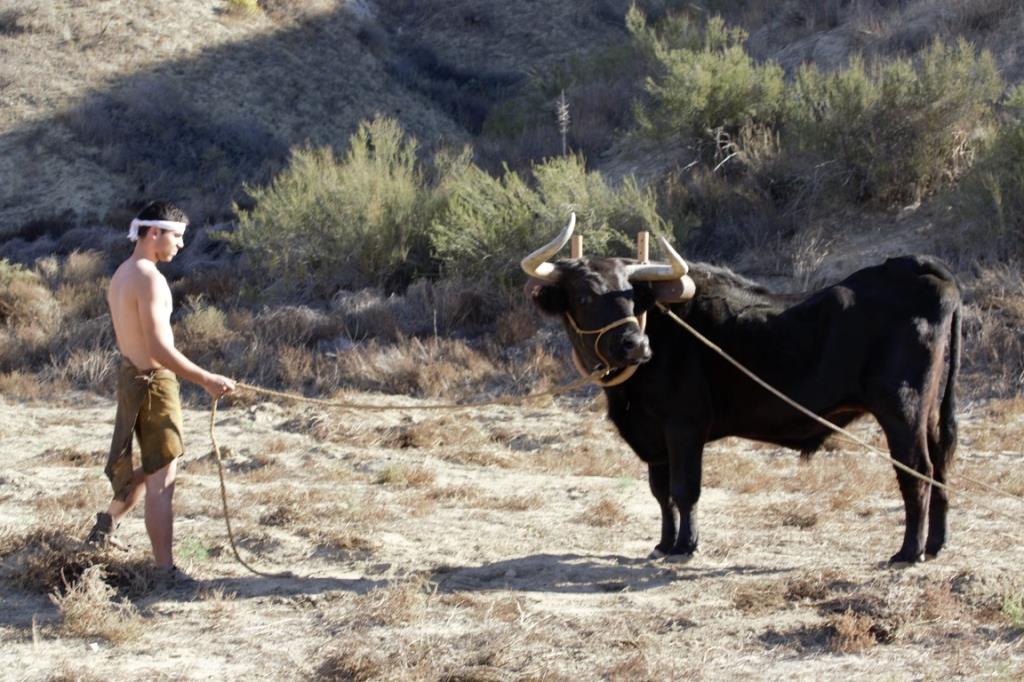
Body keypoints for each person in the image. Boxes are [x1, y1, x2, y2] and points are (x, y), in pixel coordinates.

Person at [85, 201, 235, 582]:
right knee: (162, 481)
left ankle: (104, 526)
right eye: (177, 237)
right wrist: (206, 379)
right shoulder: (149, 278)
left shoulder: (122, 274)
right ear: (155, 233)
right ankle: (165, 571)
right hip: (152, 382)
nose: (181, 246)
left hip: (132, 378)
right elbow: (157, 349)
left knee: (153, 468)